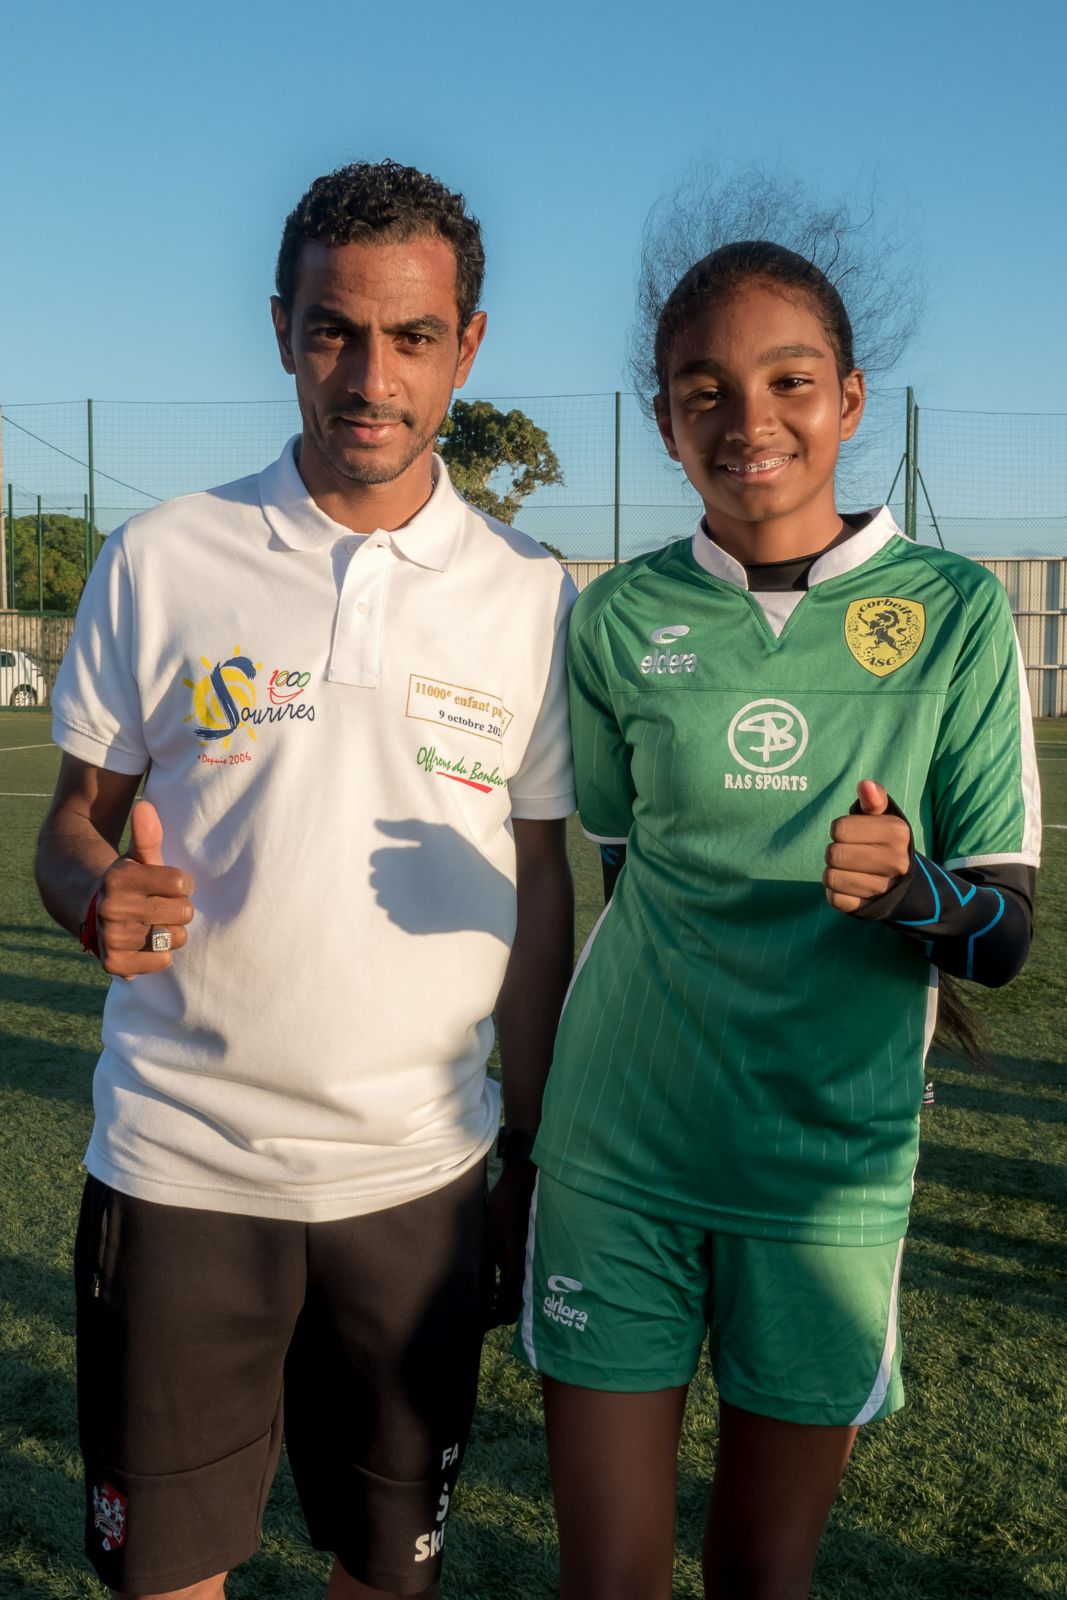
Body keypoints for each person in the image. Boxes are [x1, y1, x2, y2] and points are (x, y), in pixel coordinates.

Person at [36, 159, 576, 1600]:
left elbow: (542, 899)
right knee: (165, 1578)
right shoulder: (164, 557)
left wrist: (529, 1156)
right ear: (281, 327)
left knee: (382, 1574)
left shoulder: (530, 596)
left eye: (411, 338)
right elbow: (71, 823)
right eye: (335, 330)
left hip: (420, 1175)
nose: (370, 375)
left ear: (467, 345)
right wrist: (96, 893)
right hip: (179, 1162)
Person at [515, 227, 1041, 1599]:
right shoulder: (622, 617)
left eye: (790, 382)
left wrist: (917, 892)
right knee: (609, 1579)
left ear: (849, 400)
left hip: (825, 1171)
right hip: (618, 1147)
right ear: (667, 420)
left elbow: (1003, 936)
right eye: (706, 390)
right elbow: (630, 880)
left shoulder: (955, 613)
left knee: (762, 1571)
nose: (750, 421)